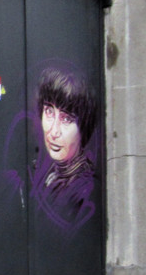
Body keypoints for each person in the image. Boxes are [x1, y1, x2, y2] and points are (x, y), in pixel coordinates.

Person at [30, 66, 98, 232]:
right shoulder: (45, 172)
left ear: (84, 126)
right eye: (49, 112)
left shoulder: (86, 188)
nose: (54, 132)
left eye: (67, 119)